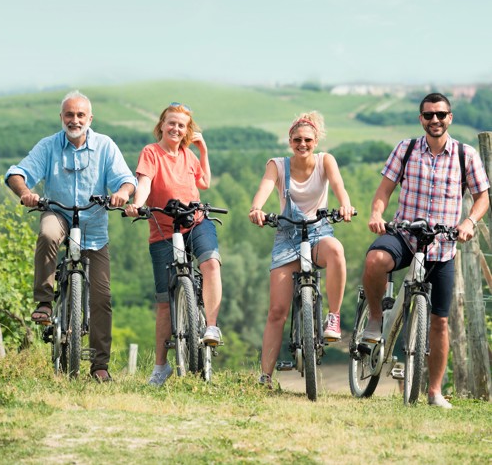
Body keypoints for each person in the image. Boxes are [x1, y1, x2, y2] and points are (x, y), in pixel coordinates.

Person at [362, 92, 490, 408]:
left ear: (450, 117)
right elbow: (384, 191)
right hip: (405, 236)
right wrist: (377, 214)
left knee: (440, 322)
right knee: (376, 259)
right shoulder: (405, 150)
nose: (435, 120)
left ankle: (433, 392)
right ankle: (375, 319)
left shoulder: (466, 154)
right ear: (421, 118)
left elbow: (482, 197)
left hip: (442, 245)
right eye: (428, 115)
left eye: (441, 114)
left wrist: (469, 221)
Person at [5, 90, 137, 382]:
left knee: (101, 299)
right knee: (48, 233)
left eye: (80, 115)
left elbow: (127, 179)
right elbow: (17, 172)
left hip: (93, 225)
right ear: (61, 117)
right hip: (59, 212)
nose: (74, 120)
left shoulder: (105, 146)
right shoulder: (49, 145)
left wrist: (121, 194)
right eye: (69, 114)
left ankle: (100, 366)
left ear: (90, 118)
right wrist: (26, 192)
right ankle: (44, 301)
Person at [249, 111, 355, 388]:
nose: (302, 144)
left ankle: (333, 316)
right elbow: (265, 187)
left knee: (337, 251)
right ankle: (265, 377)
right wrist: (257, 208)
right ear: (290, 141)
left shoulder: (325, 161)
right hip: (287, 235)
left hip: (318, 232)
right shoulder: (278, 165)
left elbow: (339, 186)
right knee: (277, 311)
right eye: (297, 140)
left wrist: (345, 204)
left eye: (308, 139)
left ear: (316, 141)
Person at [125, 102, 223, 387]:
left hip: (195, 221)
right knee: (164, 304)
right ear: (162, 125)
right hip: (163, 227)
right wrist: (137, 205)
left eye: (181, 125)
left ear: (187, 130)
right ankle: (161, 366)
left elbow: (204, 182)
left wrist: (203, 150)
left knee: (211, 264)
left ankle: (212, 327)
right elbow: (143, 183)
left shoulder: (189, 155)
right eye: (171, 123)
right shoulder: (151, 153)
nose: (176, 129)